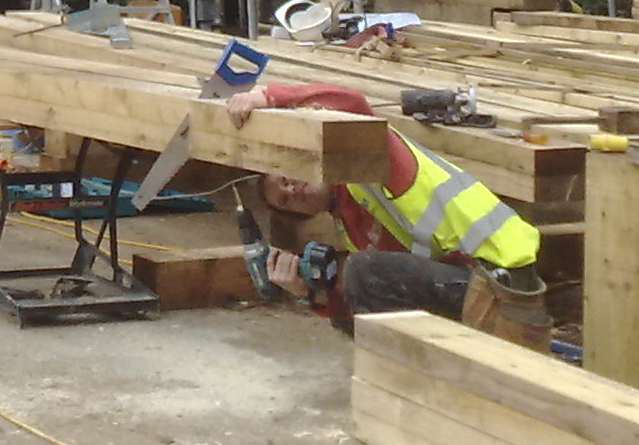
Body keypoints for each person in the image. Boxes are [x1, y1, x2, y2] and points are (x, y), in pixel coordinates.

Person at [224, 80, 547, 343]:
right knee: (360, 279)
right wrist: (309, 292)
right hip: (469, 282)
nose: (291, 190)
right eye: (286, 201)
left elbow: (352, 103)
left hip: (501, 278)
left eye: (286, 179)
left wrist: (269, 96)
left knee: (364, 271)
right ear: (307, 216)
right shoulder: (354, 226)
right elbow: (361, 311)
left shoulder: (369, 163)